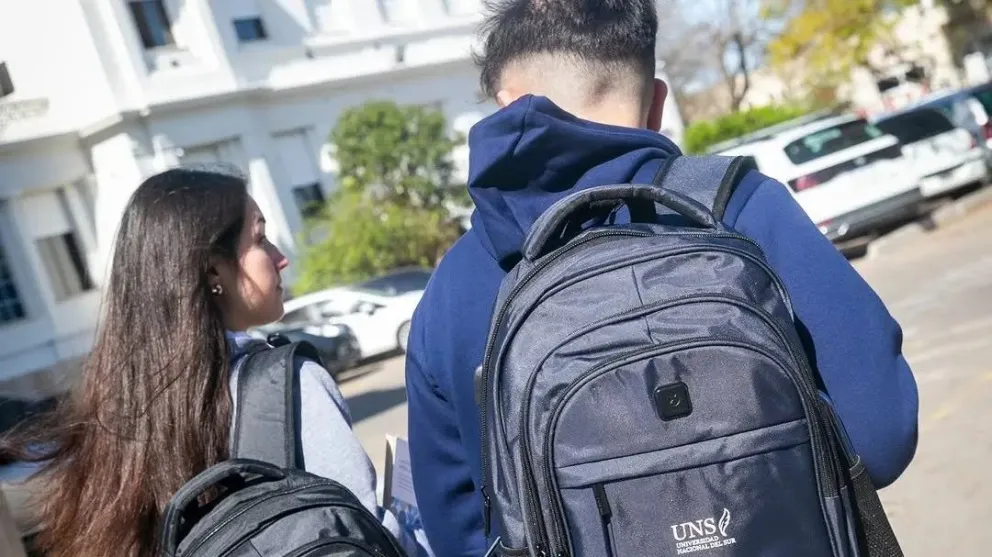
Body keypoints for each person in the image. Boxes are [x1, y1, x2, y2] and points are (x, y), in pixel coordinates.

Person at [404, 1, 920, 556]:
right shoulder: (742, 210)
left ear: (505, 107)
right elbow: (881, 438)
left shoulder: (450, 295)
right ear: (657, 103)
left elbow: (461, 535)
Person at [0, 168, 423, 557]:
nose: (280, 257)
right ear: (212, 271)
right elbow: (362, 530)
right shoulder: (288, 384)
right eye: (259, 239)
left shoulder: (118, 406)